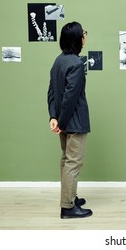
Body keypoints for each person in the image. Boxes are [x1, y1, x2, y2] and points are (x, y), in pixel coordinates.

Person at [47, 21, 93, 219]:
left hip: (63, 121)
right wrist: (62, 121)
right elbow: (70, 97)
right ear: (77, 39)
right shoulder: (76, 63)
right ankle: (67, 207)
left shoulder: (59, 61)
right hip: (74, 122)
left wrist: (54, 118)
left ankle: (70, 197)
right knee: (73, 163)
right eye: (83, 33)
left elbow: (51, 92)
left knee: (66, 161)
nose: (85, 36)